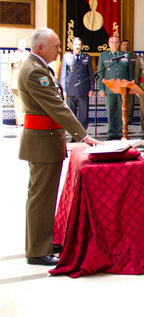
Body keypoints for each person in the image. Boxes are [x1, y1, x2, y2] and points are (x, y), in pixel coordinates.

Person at [18, 28, 101, 266]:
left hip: (46, 140)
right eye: (55, 46)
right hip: (42, 142)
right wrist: (84, 136)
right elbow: (58, 107)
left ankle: (42, 242)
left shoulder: (40, 67)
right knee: (41, 198)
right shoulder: (35, 72)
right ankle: (37, 250)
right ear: (41, 47)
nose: (59, 51)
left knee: (42, 196)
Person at [98, 36, 132, 140]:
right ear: (109, 44)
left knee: (122, 110)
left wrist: (130, 87)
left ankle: (120, 131)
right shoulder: (103, 56)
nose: (114, 44)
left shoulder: (126, 55)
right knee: (110, 111)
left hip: (122, 89)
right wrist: (101, 89)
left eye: (116, 43)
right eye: (112, 43)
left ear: (120, 44)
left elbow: (130, 73)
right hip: (110, 88)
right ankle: (111, 132)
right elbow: (101, 73)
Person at [59, 37, 94, 135]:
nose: (77, 47)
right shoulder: (66, 57)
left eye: (79, 45)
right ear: (71, 46)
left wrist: (91, 88)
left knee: (84, 114)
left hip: (83, 90)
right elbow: (63, 75)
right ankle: (74, 134)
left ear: (82, 46)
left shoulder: (86, 57)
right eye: (75, 44)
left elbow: (90, 74)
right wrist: (63, 90)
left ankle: (82, 134)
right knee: (72, 114)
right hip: (70, 90)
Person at [7, 38, 30, 126]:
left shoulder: (29, 55)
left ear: (26, 44)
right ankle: (19, 122)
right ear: (17, 44)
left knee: (26, 102)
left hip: (26, 83)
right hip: (15, 82)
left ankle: (25, 121)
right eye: (20, 43)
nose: (22, 44)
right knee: (17, 103)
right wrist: (9, 84)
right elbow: (9, 70)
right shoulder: (11, 55)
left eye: (23, 43)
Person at [120, 39, 136, 124]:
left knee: (130, 100)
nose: (126, 46)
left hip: (130, 82)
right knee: (120, 100)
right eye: (124, 45)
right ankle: (120, 118)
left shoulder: (134, 57)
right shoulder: (118, 56)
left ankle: (129, 118)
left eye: (127, 45)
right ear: (121, 46)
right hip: (121, 83)